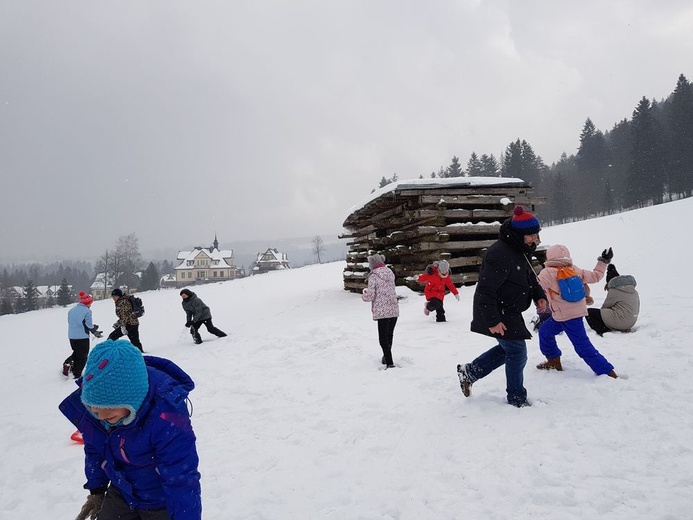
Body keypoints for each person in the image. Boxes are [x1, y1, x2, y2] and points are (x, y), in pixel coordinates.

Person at [59, 339, 202, 520]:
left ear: (133, 399)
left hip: (161, 500)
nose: (101, 417)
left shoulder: (167, 418)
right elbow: (95, 448)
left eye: (109, 412)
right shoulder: (102, 414)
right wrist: (97, 489)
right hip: (123, 491)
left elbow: (182, 478)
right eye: (95, 411)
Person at [456, 205, 547, 408]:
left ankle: (469, 372)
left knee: (509, 349)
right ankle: (516, 397)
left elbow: (529, 274)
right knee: (516, 351)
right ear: (519, 234)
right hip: (497, 309)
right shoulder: (500, 254)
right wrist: (493, 320)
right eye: (531, 235)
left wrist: (538, 294)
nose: (535, 239)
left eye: (536, 234)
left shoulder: (520, 249)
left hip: (509, 309)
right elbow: (484, 291)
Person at [535, 244, 618, 378]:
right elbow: (596, 276)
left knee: (583, 346)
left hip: (569, 317)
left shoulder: (547, 272)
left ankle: (607, 372)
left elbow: (535, 287)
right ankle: (553, 361)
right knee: (545, 331)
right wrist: (603, 261)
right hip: (562, 315)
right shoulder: (574, 270)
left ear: (549, 257)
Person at [361, 253, 400, 368]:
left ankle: (389, 362)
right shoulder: (390, 272)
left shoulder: (373, 276)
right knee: (389, 335)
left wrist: (364, 295)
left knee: (383, 338)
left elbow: (371, 295)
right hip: (393, 308)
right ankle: (386, 357)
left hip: (382, 311)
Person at [586, 263, 640, 336]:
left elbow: (606, 306)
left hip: (621, 321)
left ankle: (603, 330)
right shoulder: (633, 291)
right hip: (631, 322)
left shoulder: (615, 290)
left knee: (589, 312)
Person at [63, 291, 103, 378]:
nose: (91, 305)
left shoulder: (71, 310)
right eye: (90, 303)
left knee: (77, 353)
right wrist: (94, 330)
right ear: (88, 303)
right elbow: (88, 325)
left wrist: (91, 327)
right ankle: (76, 374)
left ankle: (67, 363)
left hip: (72, 336)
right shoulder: (87, 311)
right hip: (82, 337)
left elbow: (75, 323)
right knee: (83, 356)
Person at [107, 288, 143, 352]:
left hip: (128, 324)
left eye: (115, 296)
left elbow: (125, 316)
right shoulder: (123, 300)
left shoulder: (123, 302)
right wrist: (118, 322)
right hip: (134, 323)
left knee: (112, 337)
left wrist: (122, 326)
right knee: (135, 341)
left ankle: (107, 350)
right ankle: (140, 353)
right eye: (113, 296)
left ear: (119, 296)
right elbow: (125, 315)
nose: (114, 298)